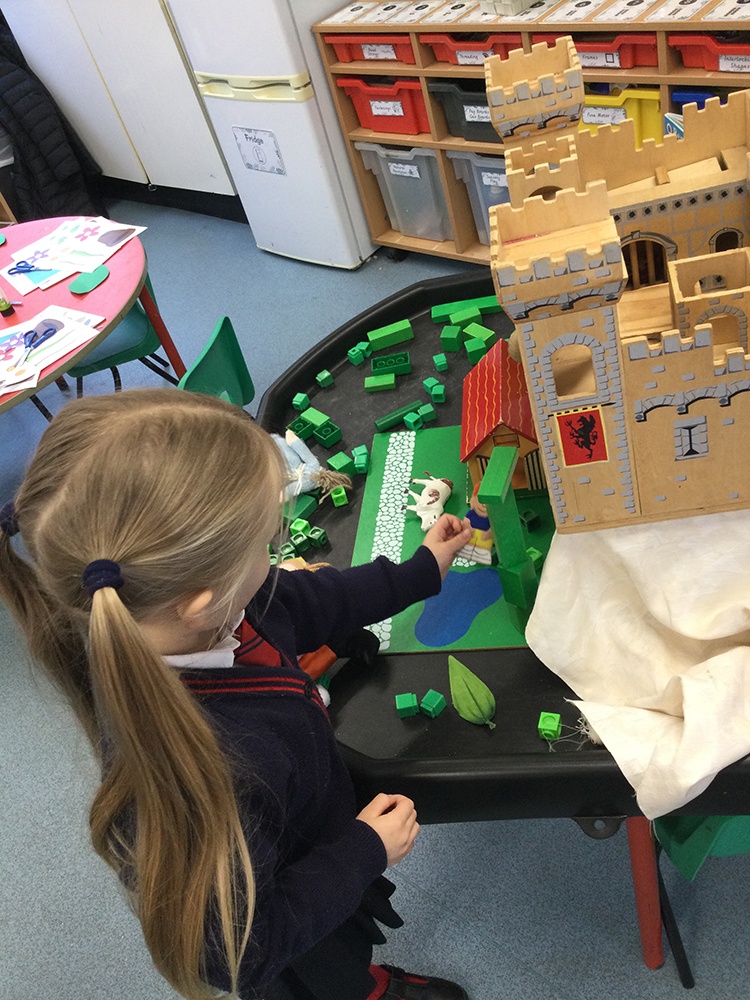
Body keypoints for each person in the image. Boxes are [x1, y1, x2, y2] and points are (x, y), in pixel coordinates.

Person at [0, 388, 474, 1000]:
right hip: (295, 939)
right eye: (264, 545)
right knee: (332, 978)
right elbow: (235, 955)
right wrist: (363, 852)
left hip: (312, 840)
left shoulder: (207, 609)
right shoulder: (211, 766)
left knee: (348, 957)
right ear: (203, 600)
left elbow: (318, 600)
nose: (274, 557)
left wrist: (420, 571)